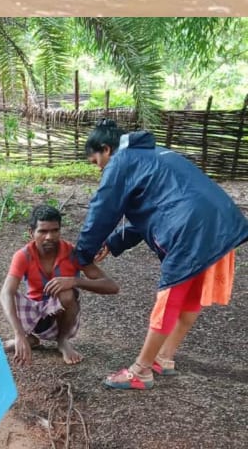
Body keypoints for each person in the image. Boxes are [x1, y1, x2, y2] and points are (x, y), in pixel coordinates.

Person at [72, 118, 248, 390]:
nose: (99, 169)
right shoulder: (152, 153)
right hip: (220, 222)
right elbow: (157, 208)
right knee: (190, 294)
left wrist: (82, 255)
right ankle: (164, 357)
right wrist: (116, 242)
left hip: (190, 229)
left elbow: (102, 211)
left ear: (106, 149)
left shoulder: (121, 161)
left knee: (169, 297)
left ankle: (141, 370)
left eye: (96, 162)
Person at [0, 203, 118, 366]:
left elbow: (112, 286)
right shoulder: (23, 255)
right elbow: (5, 293)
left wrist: (75, 281)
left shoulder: (73, 253)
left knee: (67, 293)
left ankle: (62, 341)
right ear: (31, 232)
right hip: (34, 316)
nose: (49, 236)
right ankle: (28, 337)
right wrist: (18, 333)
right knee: (9, 295)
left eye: (55, 230)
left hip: (62, 318)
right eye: (43, 231)